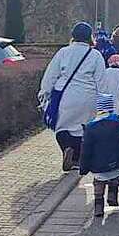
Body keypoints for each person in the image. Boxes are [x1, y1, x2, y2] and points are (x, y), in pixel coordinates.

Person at [39, 22, 106, 172]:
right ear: (90, 37)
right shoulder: (95, 55)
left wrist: (43, 93)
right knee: (82, 130)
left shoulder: (63, 52)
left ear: (73, 36)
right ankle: (76, 159)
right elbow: (102, 83)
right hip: (88, 98)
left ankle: (66, 148)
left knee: (61, 127)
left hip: (65, 97)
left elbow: (50, 75)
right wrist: (106, 108)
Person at [79, 93, 119, 217]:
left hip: (98, 165)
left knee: (99, 183)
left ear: (98, 108)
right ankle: (112, 195)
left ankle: (98, 206)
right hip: (117, 161)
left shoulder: (90, 128)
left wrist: (83, 168)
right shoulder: (118, 123)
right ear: (111, 107)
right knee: (115, 178)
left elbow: (86, 151)